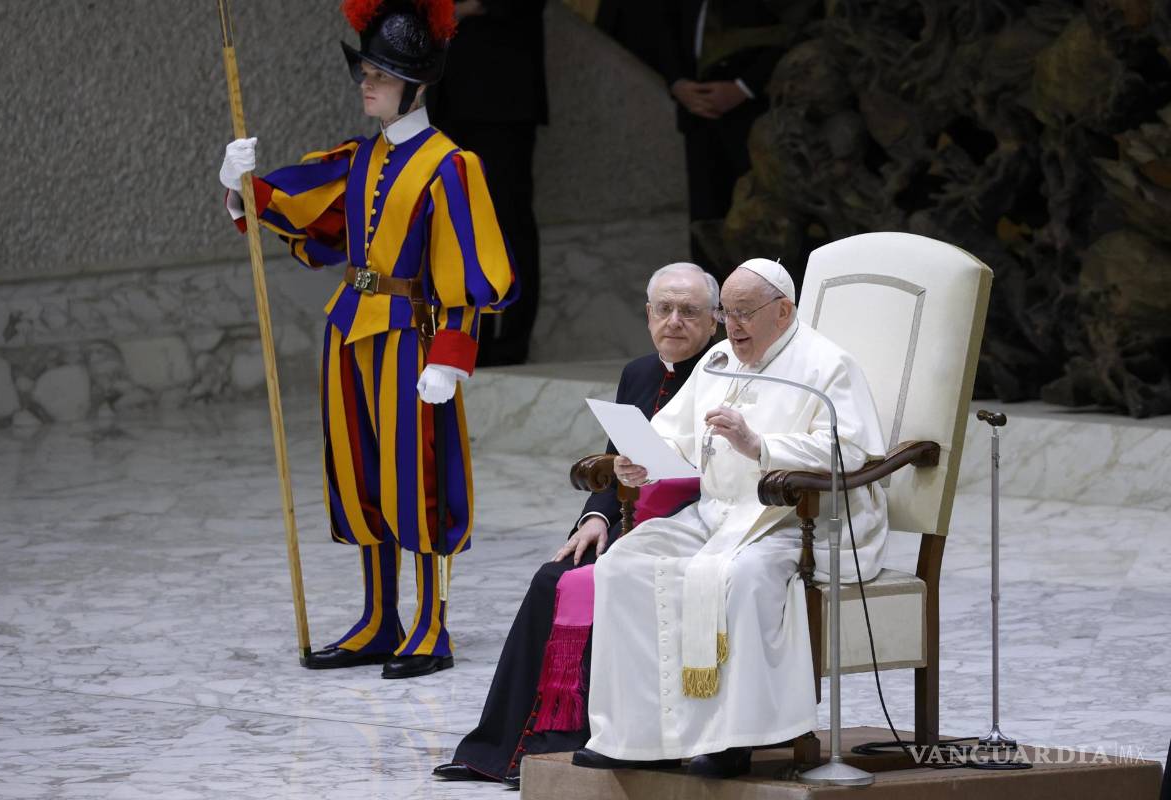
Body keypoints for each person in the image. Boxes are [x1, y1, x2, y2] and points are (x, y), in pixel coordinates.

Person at [217, 0, 516, 679]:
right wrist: (243, 187)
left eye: (379, 73)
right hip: (350, 331)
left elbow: (469, 272)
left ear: (415, 84)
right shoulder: (360, 157)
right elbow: (305, 210)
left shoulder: (451, 166)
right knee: (360, 478)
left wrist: (452, 358)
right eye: (366, 71)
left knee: (418, 482)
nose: (366, 83)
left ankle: (430, 626)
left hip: (414, 339)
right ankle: (380, 618)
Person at [574, 258, 888, 778]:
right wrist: (640, 458)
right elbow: (673, 432)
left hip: (792, 520)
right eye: (728, 312)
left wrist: (759, 444)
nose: (733, 325)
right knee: (622, 565)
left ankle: (735, 740)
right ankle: (634, 735)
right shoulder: (719, 358)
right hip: (716, 514)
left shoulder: (825, 366)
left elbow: (853, 450)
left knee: (741, 577)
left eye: (745, 313)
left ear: (782, 311)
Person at [433, 263, 718, 789]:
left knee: (579, 585)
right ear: (648, 314)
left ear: (715, 321)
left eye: (689, 311)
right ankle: (498, 750)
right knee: (551, 578)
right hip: (626, 525)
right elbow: (616, 461)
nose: (674, 321)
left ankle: (558, 748)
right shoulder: (637, 372)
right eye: (664, 309)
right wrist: (593, 517)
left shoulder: (722, 377)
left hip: (687, 531)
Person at [427, 0, 547, 366]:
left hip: (500, 96)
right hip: (448, 96)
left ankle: (510, 342)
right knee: (456, 220)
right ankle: (464, 335)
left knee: (508, 217)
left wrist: (456, 10)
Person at [657, 2, 812, 279]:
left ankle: (772, 305)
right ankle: (717, 308)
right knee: (707, 220)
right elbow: (665, 26)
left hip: (757, 113)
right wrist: (677, 83)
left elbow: (800, 28)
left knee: (763, 216)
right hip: (698, 114)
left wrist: (744, 87)